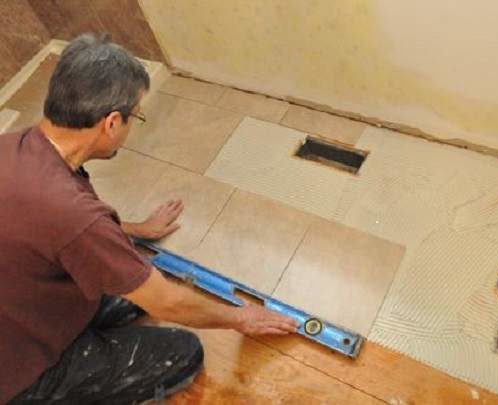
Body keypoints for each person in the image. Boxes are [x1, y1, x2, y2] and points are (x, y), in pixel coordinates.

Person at [0, 33, 298, 404]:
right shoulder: (74, 217)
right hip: (19, 370)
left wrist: (137, 230)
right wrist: (240, 318)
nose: (131, 126)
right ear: (111, 123)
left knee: (131, 287)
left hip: (23, 305)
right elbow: (167, 304)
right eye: (135, 116)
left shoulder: (15, 146)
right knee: (183, 352)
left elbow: (62, 230)